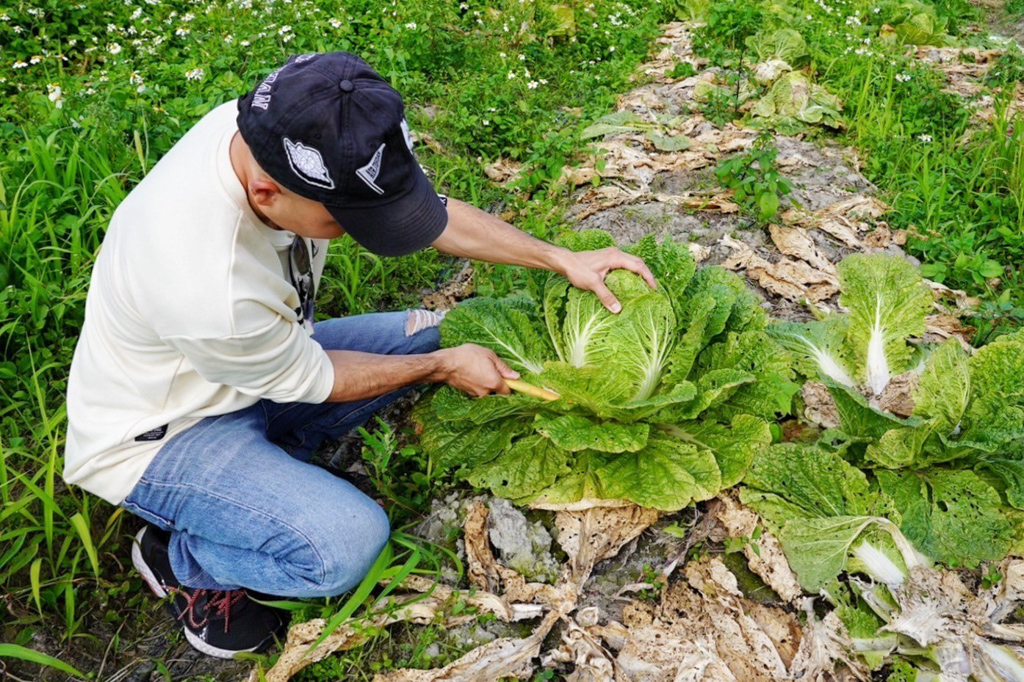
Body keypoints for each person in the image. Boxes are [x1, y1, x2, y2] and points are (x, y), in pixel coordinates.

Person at [63, 52, 654, 658]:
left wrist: (561, 257)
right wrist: (442, 368)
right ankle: (181, 554)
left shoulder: (292, 132)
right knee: (346, 545)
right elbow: (315, 376)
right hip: (167, 433)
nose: (362, 232)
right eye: (346, 221)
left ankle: (269, 471)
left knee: (430, 329)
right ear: (265, 193)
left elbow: (433, 215)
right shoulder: (204, 280)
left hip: (257, 364)